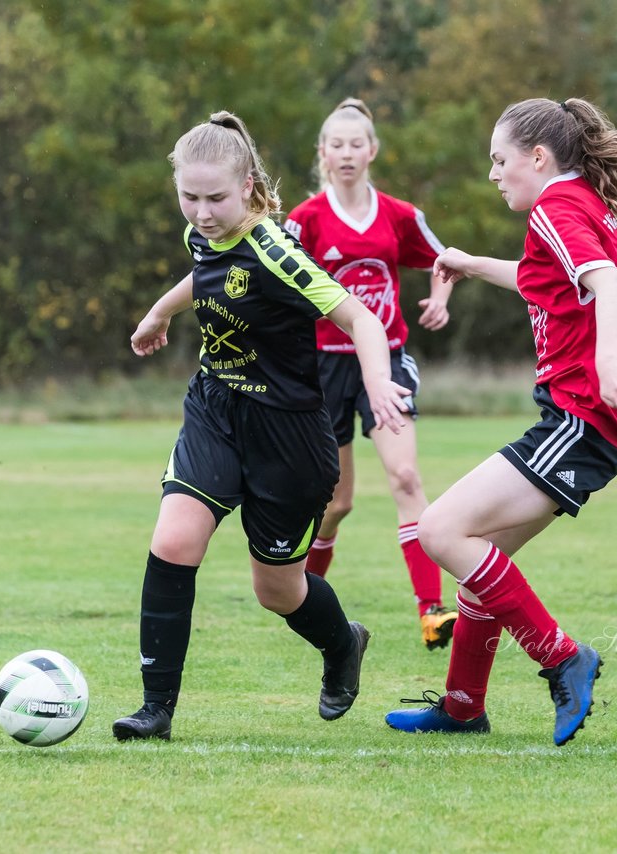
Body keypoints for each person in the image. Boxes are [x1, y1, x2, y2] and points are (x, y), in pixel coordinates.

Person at [113, 110, 411, 742]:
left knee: (278, 591)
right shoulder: (206, 232)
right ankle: (155, 710)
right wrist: (158, 314)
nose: (200, 212)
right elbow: (204, 272)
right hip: (215, 410)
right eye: (188, 197)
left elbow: (359, 318)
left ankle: (342, 645)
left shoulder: (275, 250)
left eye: (215, 197)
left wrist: (380, 382)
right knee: (173, 543)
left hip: (288, 436)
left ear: (247, 185)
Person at [384, 96, 617, 745]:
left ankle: (563, 657)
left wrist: (608, 362)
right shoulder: (575, 206)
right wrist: (472, 264)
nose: (493, 173)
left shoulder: (557, 209)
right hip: (586, 421)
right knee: (486, 558)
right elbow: (550, 283)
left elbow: (610, 288)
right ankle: (462, 706)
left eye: (499, 160)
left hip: (582, 417)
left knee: (442, 530)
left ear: (537, 157)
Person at [283, 98, 459, 651]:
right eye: (336, 144)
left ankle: (432, 612)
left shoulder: (398, 215)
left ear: (372, 151)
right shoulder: (306, 220)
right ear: (323, 154)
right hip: (324, 369)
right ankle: (306, 602)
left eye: (356, 144)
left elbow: (444, 259)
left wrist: (439, 299)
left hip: (386, 363)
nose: (347, 153)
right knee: (336, 504)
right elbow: (278, 282)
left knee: (406, 479)